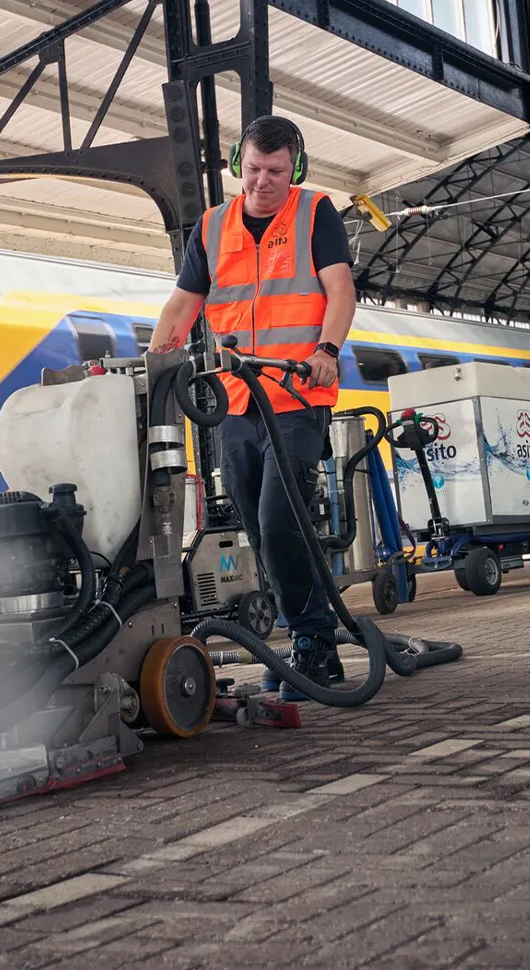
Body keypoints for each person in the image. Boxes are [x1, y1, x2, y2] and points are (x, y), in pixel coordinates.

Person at [149, 115, 355, 701]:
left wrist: (326, 351)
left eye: (277, 171)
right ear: (239, 165)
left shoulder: (315, 213)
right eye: (255, 169)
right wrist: (154, 365)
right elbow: (183, 305)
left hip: (296, 396)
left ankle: (311, 641)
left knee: (279, 519)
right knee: (256, 528)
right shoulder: (212, 227)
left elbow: (340, 290)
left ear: (297, 169)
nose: (263, 182)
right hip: (236, 402)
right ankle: (311, 640)